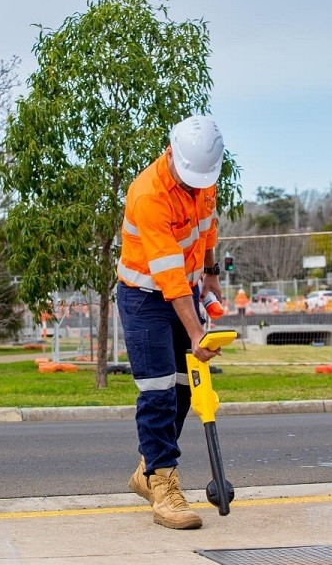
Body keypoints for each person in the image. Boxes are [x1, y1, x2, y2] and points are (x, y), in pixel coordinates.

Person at [116, 114, 225, 530]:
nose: (198, 184)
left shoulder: (203, 180)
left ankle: (148, 469)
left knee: (184, 389)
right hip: (145, 296)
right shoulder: (148, 194)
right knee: (158, 390)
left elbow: (207, 230)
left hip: (186, 291)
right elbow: (170, 279)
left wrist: (212, 274)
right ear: (172, 153)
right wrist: (197, 332)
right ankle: (163, 485)